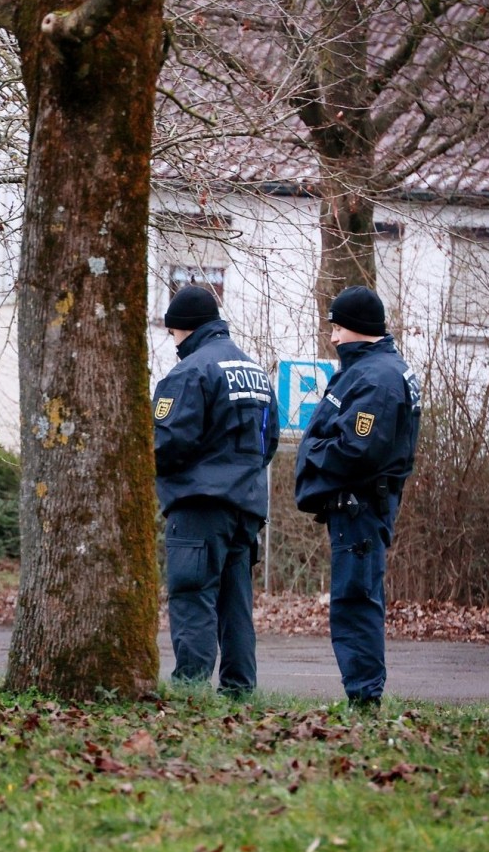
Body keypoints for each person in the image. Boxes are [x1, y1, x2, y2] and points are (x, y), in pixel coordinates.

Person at [295, 287, 421, 709]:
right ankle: (363, 694)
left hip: (361, 507)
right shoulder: (372, 370)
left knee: (355, 601)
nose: (333, 337)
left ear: (359, 329)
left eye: (338, 327)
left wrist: (311, 451)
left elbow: (355, 448)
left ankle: (364, 699)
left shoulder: (377, 379)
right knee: (357, 598)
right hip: (360, 506)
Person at [152, 285, 280, 696]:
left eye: (172, 334)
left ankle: (190, 692)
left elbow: (167, 442)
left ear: (183, 329)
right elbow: (269, 442)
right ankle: (239, 691)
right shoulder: (256, 372)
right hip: (246, 508)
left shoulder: (189, 372)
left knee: (193, 597)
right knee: (235, 606)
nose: (173, 343)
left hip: (199, 506)